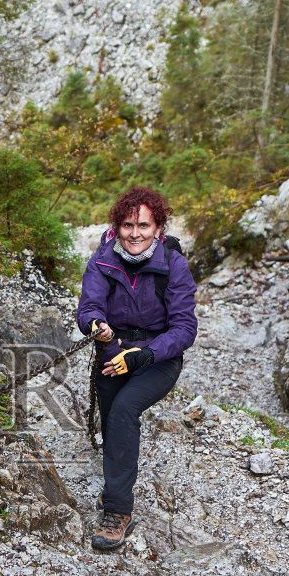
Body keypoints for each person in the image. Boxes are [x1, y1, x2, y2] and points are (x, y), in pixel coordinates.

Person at [75, 187, 199, 552]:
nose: (135, 233)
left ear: (158, 228)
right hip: (112, 351)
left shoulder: (173, 264)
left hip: (158, 358)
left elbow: (184, 329)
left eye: (144, 225)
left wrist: (142, 355)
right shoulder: (102, 259)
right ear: (117, 226)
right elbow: (89, 307)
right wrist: (99, 327)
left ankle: (117, 512)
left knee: (126, 410)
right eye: (127, 225)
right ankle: (116, 487)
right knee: (113, 419)